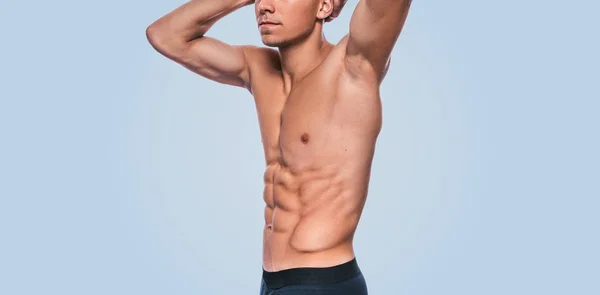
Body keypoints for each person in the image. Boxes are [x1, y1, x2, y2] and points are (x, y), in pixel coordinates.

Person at [146, 0, 412, 293]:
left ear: (323, 6)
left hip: (322, 282)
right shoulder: (256, 69)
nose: (265, 7)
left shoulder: (354, 67)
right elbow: (165, 35)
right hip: (270, 281)